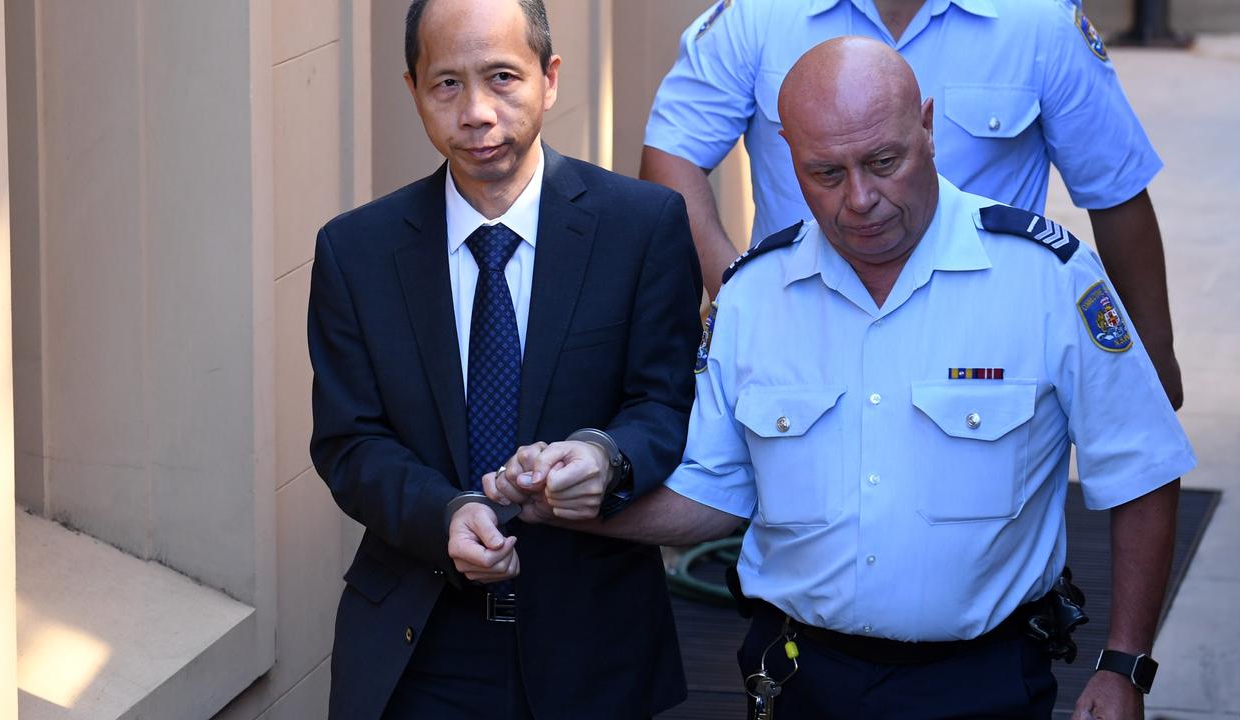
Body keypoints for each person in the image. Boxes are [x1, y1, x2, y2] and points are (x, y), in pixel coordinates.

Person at [492, 38, 1196, 720]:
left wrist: (1124, 663)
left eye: (883, 161)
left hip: (982, 683)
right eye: (826, 173)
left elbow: (1143, 469)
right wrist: (572, 504)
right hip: (799, 678)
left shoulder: (1045, 277)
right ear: (785, 157)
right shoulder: (754, 296)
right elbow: (718, 493)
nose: (859, 199)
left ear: (926, 127)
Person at [307, 0, 702, 716]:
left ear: (549, 79)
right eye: (447, 84)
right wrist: (448, 513)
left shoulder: (641, 228)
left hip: (593, 638)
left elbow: (664, 403)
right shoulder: (354, 252)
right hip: (421, 639)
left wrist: (603, 455)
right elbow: (350, 441)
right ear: (413, 91)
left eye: (502, 77)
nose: (478, 112)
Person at [641, 0, 1184, 410]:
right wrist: (741, 300)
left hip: (986, 359)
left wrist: (1152, 354)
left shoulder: (1036, 20)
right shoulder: (760, 15)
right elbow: (672, 160)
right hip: (804, 344)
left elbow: (1114, 192)